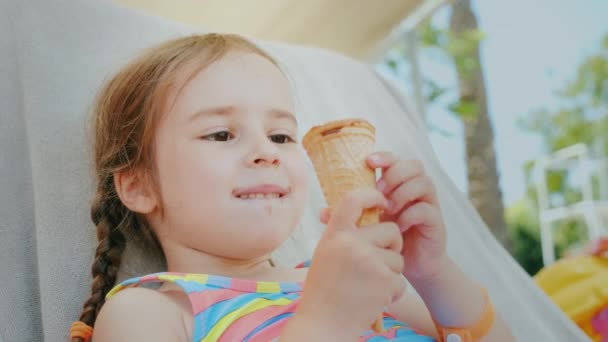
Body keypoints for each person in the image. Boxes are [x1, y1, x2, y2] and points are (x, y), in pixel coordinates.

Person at [69, 33, 514, 342]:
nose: (268, 152)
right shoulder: (151, 312)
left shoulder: (348, 280)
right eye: (221, 134)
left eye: (281, 136)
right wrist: (325, 322)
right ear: (139, 185)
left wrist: (432, 274)